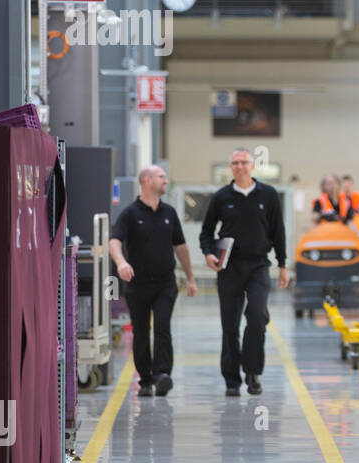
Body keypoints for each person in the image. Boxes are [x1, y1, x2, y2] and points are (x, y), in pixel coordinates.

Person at [199, 147, 289, 396]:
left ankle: (252, 373)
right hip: (229, 267)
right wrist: (208, 253)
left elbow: (278, 232)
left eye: (244, 162)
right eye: (235, 163)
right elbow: (206, 231)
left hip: (259, 265)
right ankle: (231, 380)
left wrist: (282, 265)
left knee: (258, 317)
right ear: (231, 168)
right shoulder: (221, 197)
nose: (240, 166)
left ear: (252, 165)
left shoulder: (268, 195)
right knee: (230, 324)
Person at [110, 165, 197, 397]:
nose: (166, 181)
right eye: (161, 177)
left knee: (162, 326)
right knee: (140, 331)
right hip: (138, 285)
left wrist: (190, 277)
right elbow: (114, 241)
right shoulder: (130, 213)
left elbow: (181, 247)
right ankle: (145, 380)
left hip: (165, 283)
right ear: (147, 181)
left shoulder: (169, 213)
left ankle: (161, 374)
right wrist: (121, 263)